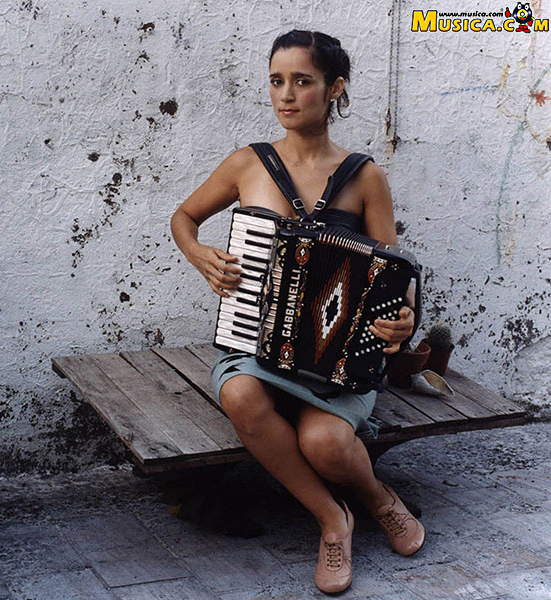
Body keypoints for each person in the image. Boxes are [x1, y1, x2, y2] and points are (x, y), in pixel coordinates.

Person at [169, 29, 425, 594]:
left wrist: (403, 319)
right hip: (256, 347)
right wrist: (201, 257)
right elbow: (183, 219)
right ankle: (334, 521)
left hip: (335, 363)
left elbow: (395, 275)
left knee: (326, 443)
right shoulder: (247, 164)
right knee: (238, 393)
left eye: (302, 82)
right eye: (277, 81)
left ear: (334, 89)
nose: (286, 95)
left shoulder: (365, 177)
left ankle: (380, 501)